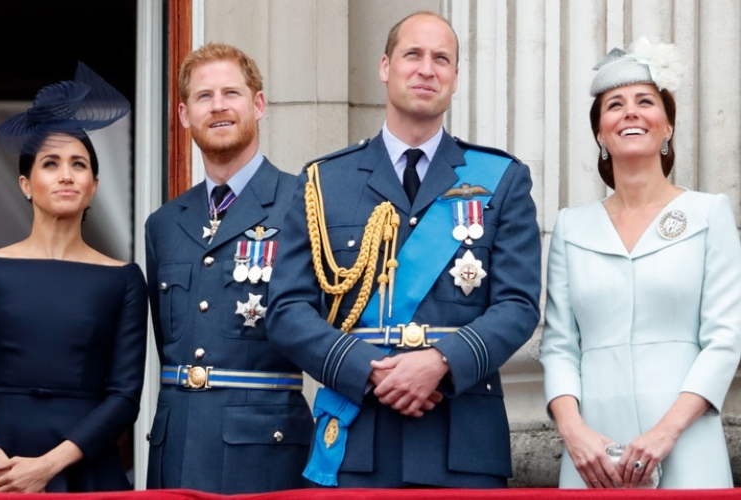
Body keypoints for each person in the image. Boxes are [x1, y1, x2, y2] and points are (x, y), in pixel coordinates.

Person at [266, 11, 541, 488]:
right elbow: (287, 310)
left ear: (455, 77)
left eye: (442, 59)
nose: (427, 69)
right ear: (385, 66)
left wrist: (440, 362)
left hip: (463, 441)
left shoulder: (502, 179)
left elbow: (517, 306)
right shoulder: (324, 182)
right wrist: (369, 372)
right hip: (357, 437)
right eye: (413, 54)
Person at [539, 37, 741, 489]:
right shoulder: (572, 227)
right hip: (593, 451)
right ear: (600, 133)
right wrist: (575, 434)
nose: (629, 112)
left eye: (645, 101)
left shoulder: (708, 214)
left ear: (667, 127)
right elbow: (558, 347)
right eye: (615, 104)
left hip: (686, 440)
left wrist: (664, 433)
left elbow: (725, 338)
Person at [0, 62, 147, 492]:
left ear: (93, 185)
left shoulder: (124, 280)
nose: (67, 174)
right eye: (51, 164)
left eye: (79, 164)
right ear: (26, 183)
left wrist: (48, 467)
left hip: (82, 467)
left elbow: (125, 397)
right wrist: (1, 467)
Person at [144, 42, 313, 494]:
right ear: (183, 115)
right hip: (176, 447)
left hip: (264, 450)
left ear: (258, 104)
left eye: (231, 93)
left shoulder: (303, 204)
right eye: (203, 97)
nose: (218, 106)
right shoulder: (163, 224)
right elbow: (170, 346)